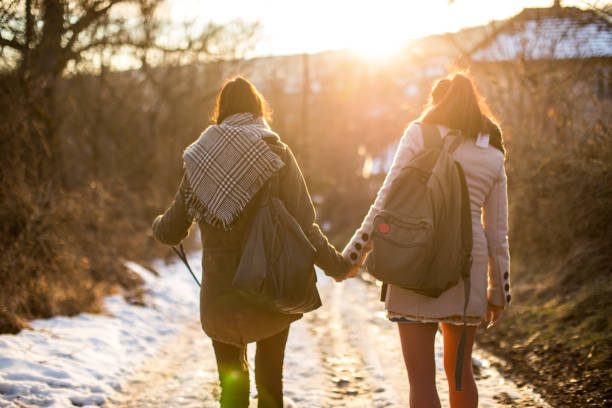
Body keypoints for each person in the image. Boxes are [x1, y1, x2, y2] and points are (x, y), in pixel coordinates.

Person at [151, 76, 351, 408]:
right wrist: (337, 266)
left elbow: (171, 231)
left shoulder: (200, 160)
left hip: (219, 297)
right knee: (271, 385)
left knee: (232, 388)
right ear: (257, 109)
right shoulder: (276, 152)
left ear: (221, 111)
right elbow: (306, 224)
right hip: (269, 290)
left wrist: (157, 224)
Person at [343, 72, 510, 408]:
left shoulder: (418, 134)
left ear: (438, 102)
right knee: (460, 372)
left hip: (413, 261)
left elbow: (386, 200)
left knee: (420, 380)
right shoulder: (492, 153)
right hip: (467, 271)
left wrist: (355, 253)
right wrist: (498, 290)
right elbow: (496, 232)